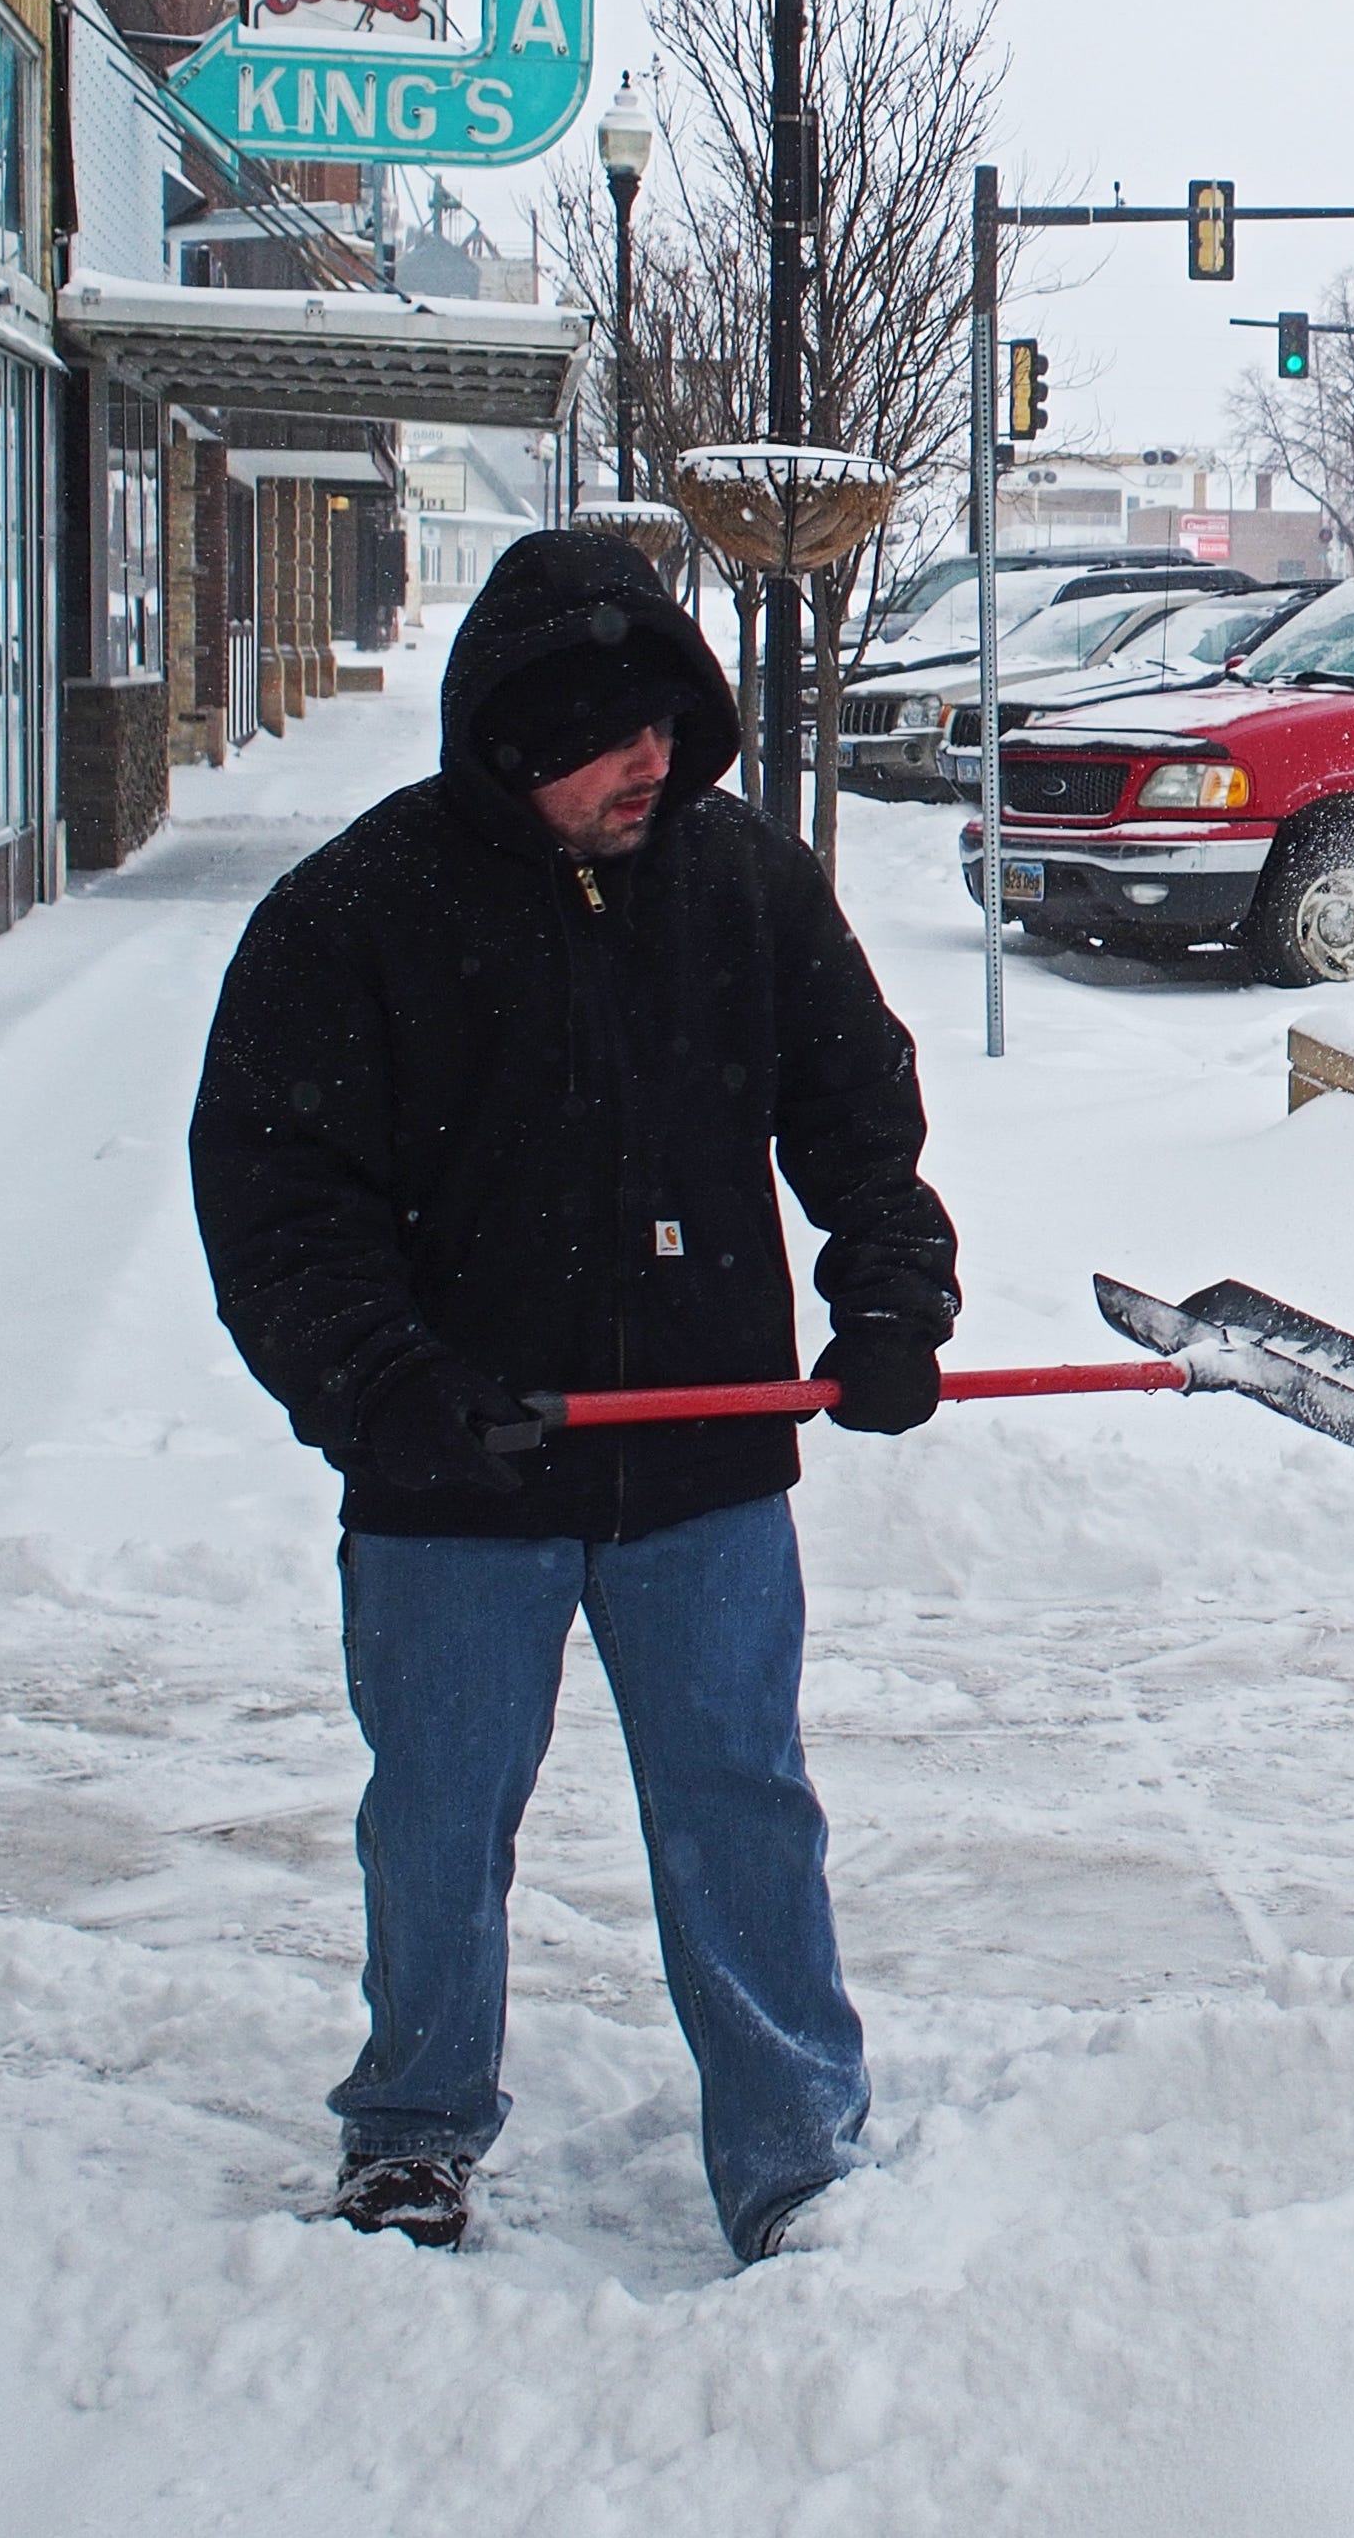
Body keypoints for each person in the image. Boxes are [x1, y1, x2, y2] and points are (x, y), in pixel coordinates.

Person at [189, 528, 959, 2265]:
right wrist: (383, 1389)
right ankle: (411, 2127)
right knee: (441, 1819)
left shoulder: (742, 881)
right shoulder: (358, 915)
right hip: (458, 1476)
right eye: (620, 737)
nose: (659, 764)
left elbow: (858, 1112)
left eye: (674, 729)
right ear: (521, 737)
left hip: (698, 1463)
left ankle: (794, 2149)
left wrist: (893, 1296)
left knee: (740, 1802)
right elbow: (275, 1193)